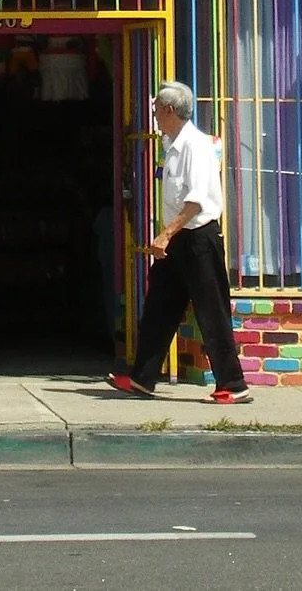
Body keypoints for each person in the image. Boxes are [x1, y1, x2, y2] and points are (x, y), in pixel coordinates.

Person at [106, 81, 252, 404]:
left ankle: (233, 383)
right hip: (178, 239)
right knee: (159, 306)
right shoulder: (172, 144)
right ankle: (143, 377)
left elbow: (195, 202)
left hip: (198, 238)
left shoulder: (195, 147)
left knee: (211, 311)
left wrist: (165, 234)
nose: (154, 114)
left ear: (170, 110)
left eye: (157, 109)